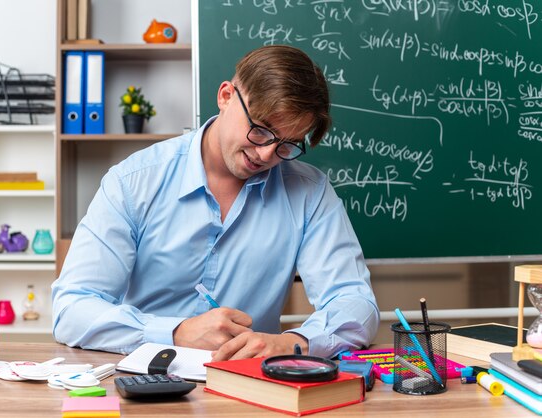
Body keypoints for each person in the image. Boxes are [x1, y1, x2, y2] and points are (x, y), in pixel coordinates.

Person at [51, 45, 379, 360]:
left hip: (249, 385)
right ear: (225, 96)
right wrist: (175, 332)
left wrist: (295, 343)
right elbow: (72, 309)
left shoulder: (310, 192)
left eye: (287, 144)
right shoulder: (134, 181)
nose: (266, 154)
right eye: (261, 130)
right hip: (145, 380)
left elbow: (355, 303)